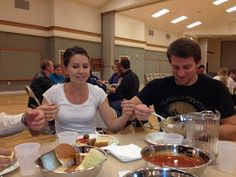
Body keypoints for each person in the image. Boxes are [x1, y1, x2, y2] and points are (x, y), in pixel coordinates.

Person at [122, 38, 236, 141]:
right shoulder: (157, 86)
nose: (181, 74)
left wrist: (202, 128)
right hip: (167, 149)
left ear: (198, 63)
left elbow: (233, 131)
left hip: (202, 150)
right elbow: (127, 111)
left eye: (187, 67)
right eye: (175, 67)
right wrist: (135, 112)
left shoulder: (216, 88)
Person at [42, 46, 138, 134]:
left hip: (90, 148)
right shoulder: (53, 92)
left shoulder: (97, 92)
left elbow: (113, 126)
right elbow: (37, 130)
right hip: (64, 148)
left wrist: (126, 114)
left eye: (85, 66)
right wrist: (34, 119)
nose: (81, 71)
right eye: (75, 66)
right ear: (66, 69)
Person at [28, 59, 55, 134]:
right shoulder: (42, 78)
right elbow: (54, 90)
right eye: (52, 66)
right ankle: (52, 126)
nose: (53, 68)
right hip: (40, 101)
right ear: (48, 68)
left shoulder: (41, 75)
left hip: (35, 100)